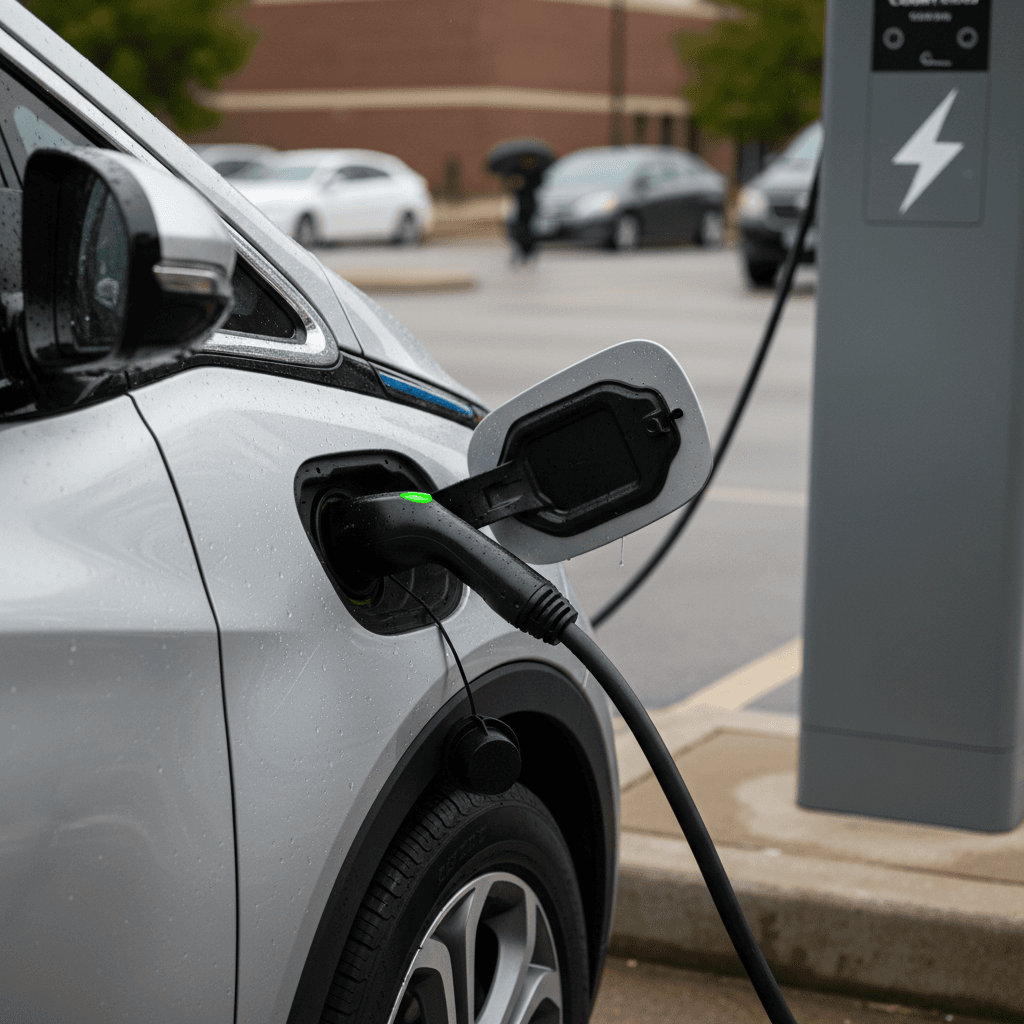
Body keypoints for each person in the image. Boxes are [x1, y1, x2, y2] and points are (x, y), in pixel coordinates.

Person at [506, 154, 544, 263]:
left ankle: (527, 251)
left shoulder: (536, 171)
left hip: (529, 204)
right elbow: (511, 185)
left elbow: (539, 184)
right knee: (520, 228)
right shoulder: (516, 170)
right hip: (520, 204)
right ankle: (523, 251)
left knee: (528, 229)